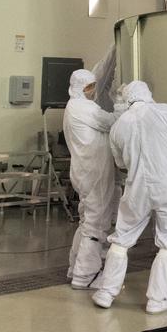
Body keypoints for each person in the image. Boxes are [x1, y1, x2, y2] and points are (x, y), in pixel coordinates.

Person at [92, 81, 167, 314]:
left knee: (121, 240)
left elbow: (121, 163)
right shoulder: (162, 111)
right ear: (148, 94)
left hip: (137, 189)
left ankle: (106, 292)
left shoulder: (118, 127)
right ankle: (158, 299)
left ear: (127, 99)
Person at [61, 69, 120, 288]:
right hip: (94, 172)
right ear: (86, 87)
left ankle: (74, 267)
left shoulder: (72, 106)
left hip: (84, 171)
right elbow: (112, 121)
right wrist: (122, 102)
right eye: (93, 86)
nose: (95, 90)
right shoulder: (84, 107)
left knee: (87, 222)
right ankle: (86, 275)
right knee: (96, 223)